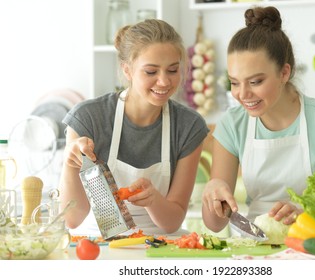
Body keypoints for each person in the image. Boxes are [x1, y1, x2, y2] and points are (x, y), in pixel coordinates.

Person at [202, 6, 315, 233]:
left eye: (255, 82)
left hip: (314, 239)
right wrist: (212, 192)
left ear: (284, 72)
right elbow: (215, 224)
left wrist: (307, 212)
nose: (242, 94)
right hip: (254, 242)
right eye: (234, 82)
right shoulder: (232, 124)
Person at [59, 19, 209, 236]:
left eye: (173, 70)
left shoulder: (188, 126)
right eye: (151, 72)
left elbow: (172, 222)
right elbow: (72, 218)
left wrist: (153, 200)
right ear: (127, 70)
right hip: (95, 241)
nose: (164, 81)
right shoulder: (88, 118)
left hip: (161, 242)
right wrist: (70, 162)